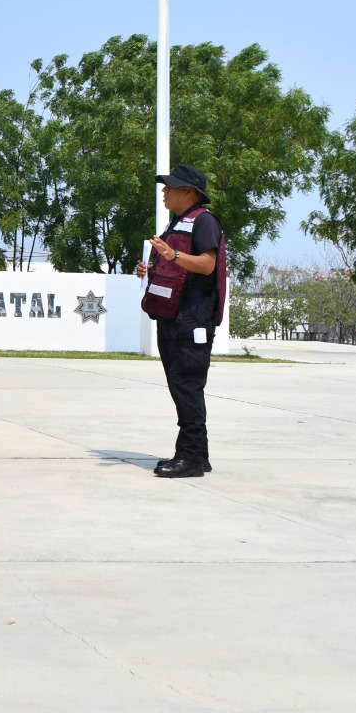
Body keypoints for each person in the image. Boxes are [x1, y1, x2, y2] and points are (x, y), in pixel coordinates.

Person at [136, 164, 228, 479]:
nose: (164, 191)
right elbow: (175, 267)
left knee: (187, 385)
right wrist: (150, 268)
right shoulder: (177, 224)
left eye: (170, 187)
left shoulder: (204, 222)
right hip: (173, 317)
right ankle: (196, 456)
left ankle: (189, 458)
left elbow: (206, 264)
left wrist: (172, 255)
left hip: (194, 319)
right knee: (181, 385)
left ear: (189, 192)